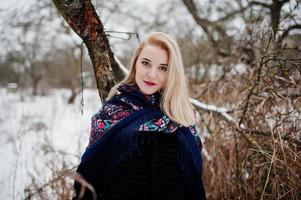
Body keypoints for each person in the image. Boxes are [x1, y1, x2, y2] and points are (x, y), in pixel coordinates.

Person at [73, 32, 206, 200]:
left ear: (172, 73)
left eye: (163, 68)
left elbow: (193, 181)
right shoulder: (112, 112)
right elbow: (88, 177)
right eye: (146, 63)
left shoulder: (182, 116)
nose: (151, 74)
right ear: (135, 63)